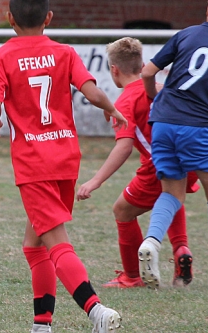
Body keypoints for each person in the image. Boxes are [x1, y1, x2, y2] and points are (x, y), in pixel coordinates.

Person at [0, 0, 127, 333]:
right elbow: (92, 92)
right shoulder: (64, 52)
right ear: (48, 17)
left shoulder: (2, 56)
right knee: (34, 245)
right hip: (65, 157)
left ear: (9, 18)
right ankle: (41, 332)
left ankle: (97, 311)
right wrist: (112, 109)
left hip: (34, 163)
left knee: (56, 242)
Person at [137, 0, 208, 291]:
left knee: (172, 192)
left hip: (162, 123)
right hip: (198, 126)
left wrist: (154, 98)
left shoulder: (185, 34)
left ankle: (151, 241)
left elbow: (147, 72)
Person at [76, 37, 200, 288]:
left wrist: (95, 181)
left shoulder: (124, 102)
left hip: (158, 165)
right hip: (191, 158)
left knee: (122, 210)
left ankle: (132, 276)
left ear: (114, 70)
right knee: (171, 195)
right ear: (142, 65)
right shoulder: (162, 88)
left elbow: (124, 147)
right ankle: (181, 250)